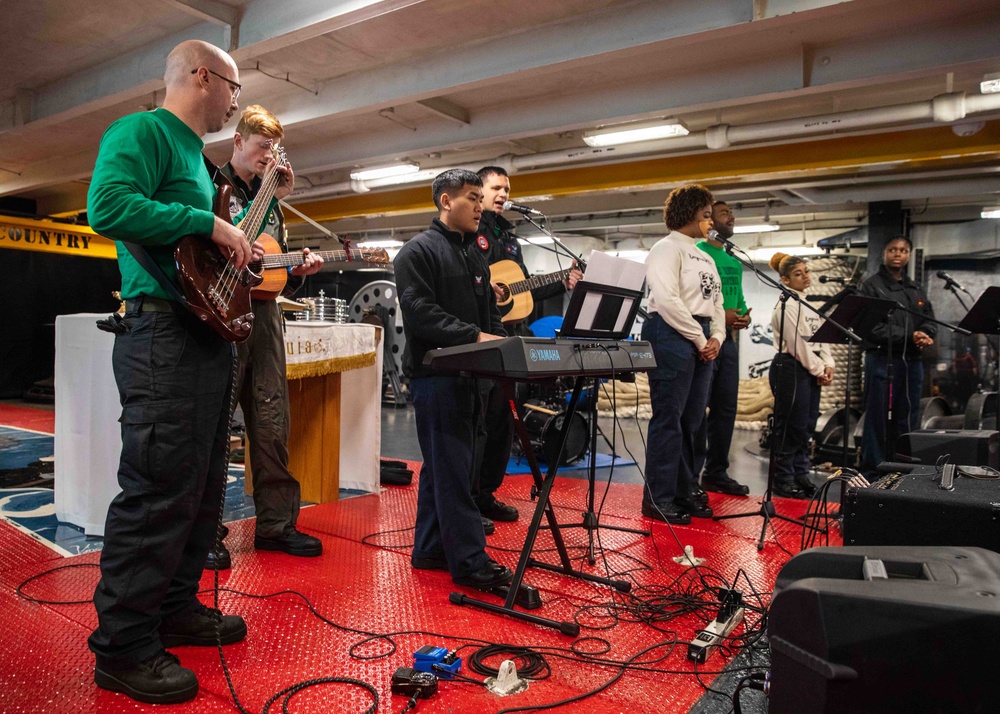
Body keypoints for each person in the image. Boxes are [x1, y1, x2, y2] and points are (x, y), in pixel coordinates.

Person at [85, 40, 287, 704]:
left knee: (201, 488)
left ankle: (173, 607)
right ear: (202, 76)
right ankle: (122, 647)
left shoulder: (204, 165)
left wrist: (234, 245)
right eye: (232, 86)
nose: (236, 99)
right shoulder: (143, 131)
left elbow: (202, 250)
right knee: (157, 488)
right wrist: (208, 221)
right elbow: (108, 208)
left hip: (204, 335)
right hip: (160, 335)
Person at [204, 105, 323, 569]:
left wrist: (297, 269)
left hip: (267, 317)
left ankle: (276, 525)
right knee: (216, 429)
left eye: (275, 149)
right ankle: (206, 531)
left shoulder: (272, 200)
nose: (269, 156)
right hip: (224, 315)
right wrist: (269, 197)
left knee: (273, 422)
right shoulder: (213, 185)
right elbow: (210, 253)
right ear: (238, 142)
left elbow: (267, 266)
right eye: (261, 147)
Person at [394, 169, 513, 589]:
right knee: (454, 473)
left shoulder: (474, 255)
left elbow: (489, 315)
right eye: (472, 197)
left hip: (473, 375)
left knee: (446, 467)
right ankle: (470, 562)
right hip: (437, 377)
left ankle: (430, 548)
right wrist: (475, 336)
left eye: (481, 197)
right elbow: (421, 314)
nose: (481, 205)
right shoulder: (415, 253)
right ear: (446, 201)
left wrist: (499, 341)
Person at [468, 166, 582, 528]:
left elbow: (521, 287)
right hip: (479, 339)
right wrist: (488, 290)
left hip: (509, 337)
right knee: (480, 422)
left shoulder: (508, 236)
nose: (503, 193)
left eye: (507, 188)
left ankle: (486, 493)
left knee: (504, 419)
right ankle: (467, 499)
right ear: (479, 191)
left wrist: (562, 281)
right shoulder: (470, 230)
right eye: (496, 187)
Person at [641, 184, 726, 524]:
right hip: (671, 333)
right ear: (689, 213)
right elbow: (666, 298)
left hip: (700, 336)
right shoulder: (666, 248)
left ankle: (683, 491)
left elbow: (716, 303)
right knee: (669, 420)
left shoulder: (705, 254)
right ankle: (658, 499)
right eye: (705, 215)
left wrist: (717, 336)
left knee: (692, 421)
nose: (710, 221)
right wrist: (697, 337)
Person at [857, 235, 936, 477]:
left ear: (909, 255)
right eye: (892, 249)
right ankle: (873, 470)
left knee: (908, 415)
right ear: (884, 253)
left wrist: (925, 333)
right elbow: (869, 326)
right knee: (878, 417)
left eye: (903, 250)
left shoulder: (915, 288)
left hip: (912, 362)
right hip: (882, 360)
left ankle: (903, 468)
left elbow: (929, 318)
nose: (898, 254)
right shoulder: (871, 286)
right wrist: (909, 335)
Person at [694, 201, 752, 497]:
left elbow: (738, 301)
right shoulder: (699, 254)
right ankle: (691, 474)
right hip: (703, 337)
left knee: (725, 408)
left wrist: (744, 316)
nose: (731, 217)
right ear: (709, 221)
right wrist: (719, 316)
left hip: (728, 340)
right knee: (697, 409)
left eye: (732, 213)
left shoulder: (733, 261)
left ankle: (716, 472)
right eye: (724, 213)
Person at [767, 253, 835, 498]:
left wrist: (828, 364)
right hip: (791, 367)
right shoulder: (786, 306)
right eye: (798, 273)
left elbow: (821, 337)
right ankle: (782, 478)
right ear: (785, 279)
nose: (805, 276)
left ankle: (800, 473)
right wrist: (817, 368)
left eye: (806, 271)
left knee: (806, 425)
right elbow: (797, 345)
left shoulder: (808, 304)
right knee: (791, 426)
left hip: (809, 368)